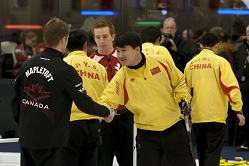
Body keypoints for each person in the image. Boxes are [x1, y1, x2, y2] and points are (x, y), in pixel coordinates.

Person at [11, 17, 114, 166]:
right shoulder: (65, 70)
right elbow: (84, 103)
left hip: (27, 137)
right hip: (51, 140)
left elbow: (15, 100)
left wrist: (23, 123)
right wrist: (106, 111)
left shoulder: (28, 64)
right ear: (64, 40)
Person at [98, 31, 195, 166]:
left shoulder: (161, 62)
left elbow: (179, 82)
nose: (120, 56)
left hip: (173, 129)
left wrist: (183, 98)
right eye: (118, 51)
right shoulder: (122, 78)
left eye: (124, 51)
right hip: (147, 135)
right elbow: (106, 99)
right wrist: (106, 111)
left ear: (137, 49)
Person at [184, 32, 245, 166]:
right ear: (217, 46)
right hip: (216, 115)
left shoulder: (190, 64)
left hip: (197, 116)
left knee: (202, 152)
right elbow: (231, 88)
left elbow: (184, 91)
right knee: (213, 153)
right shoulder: (220, 62)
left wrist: (187, 113)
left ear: (200, 46)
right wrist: (238, 110)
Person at [59, 29, 109, 166]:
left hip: (70, 124)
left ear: (66, 46)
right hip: (94, 126)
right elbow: (107, 96)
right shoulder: (99, 68)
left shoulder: (62, 65)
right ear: (85, 45)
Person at [90, 20, 134, 166]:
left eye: (105, 36)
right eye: (97, 37)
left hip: (126, 115)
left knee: (128, 159)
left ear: (113, 36)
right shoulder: (90, 62)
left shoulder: (125, 57)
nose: (101, 41)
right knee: (103, 160)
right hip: (103, 118)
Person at [234, 25, 249, 151]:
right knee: (246, 113)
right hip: (244, 86)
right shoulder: (242, 49)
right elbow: (237, 68)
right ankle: (247, 140)